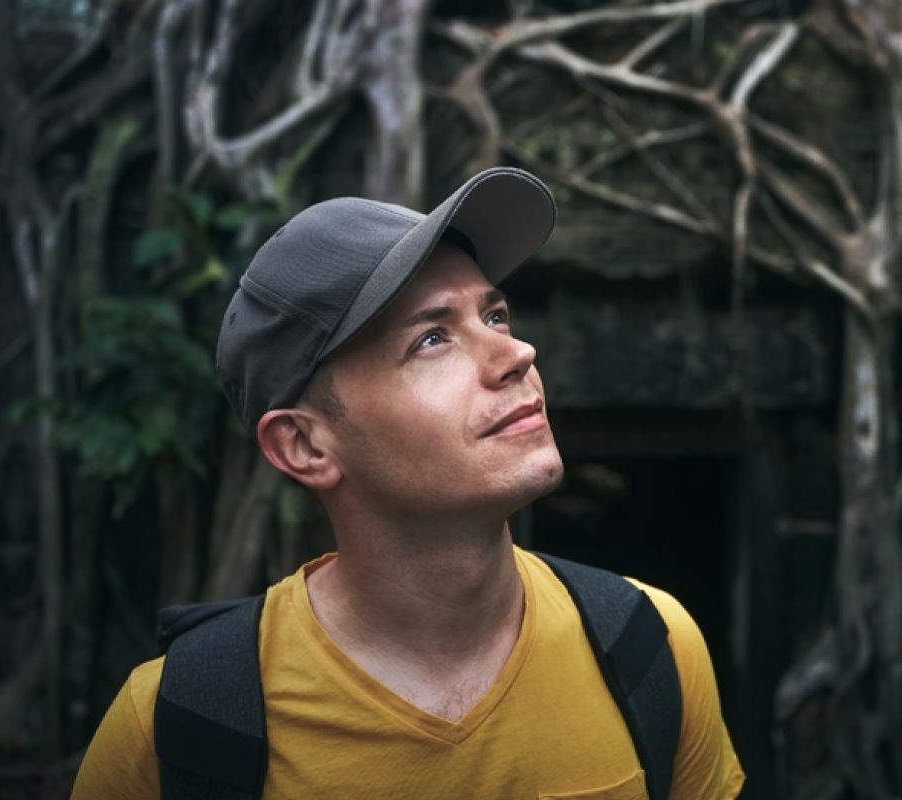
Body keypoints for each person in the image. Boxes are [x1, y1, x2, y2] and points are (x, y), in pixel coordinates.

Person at [72, 167, 744, 799]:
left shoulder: (647, 647)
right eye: (431, 340)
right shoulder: (179, 726)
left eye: (495, 316)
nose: (517, 354)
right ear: (305, 445)